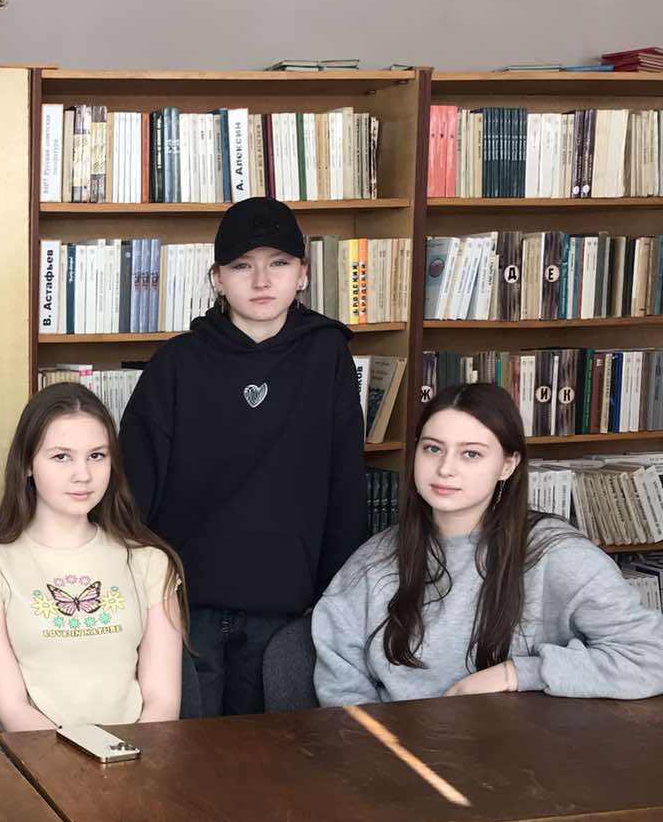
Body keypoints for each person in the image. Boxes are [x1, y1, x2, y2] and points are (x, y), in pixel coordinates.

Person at [119, 195, 365, 717]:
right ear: (217, 278)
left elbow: (345, 485)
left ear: (302, 274)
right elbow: (133, 490)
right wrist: (141, 596)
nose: (261, 281)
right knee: (185, 748)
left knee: (267, 753)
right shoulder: (176, 363)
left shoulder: (328, 356)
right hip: (187, 605)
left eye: (279, 263)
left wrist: (334, 597)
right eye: (241, 266)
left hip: (287, 607)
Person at [313, 382, 663, 704]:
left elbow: (651, 656)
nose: (445, 468)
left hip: (521, 746)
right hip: (396, 746)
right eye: (433, 448)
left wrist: (517, 673)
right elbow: (341, 687)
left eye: (471, 454)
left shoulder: (556, 554)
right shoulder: (374, 560)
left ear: (508, 465)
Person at [0, 382, 186, 732]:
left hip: (140, 756)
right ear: (27, 464)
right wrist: (83, 761)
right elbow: (11, 710)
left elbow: (162, 702)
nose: (83, 475)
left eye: (97, 455)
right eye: (62, 456)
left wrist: (126, 758)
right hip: (37, 757)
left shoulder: (150, 561)